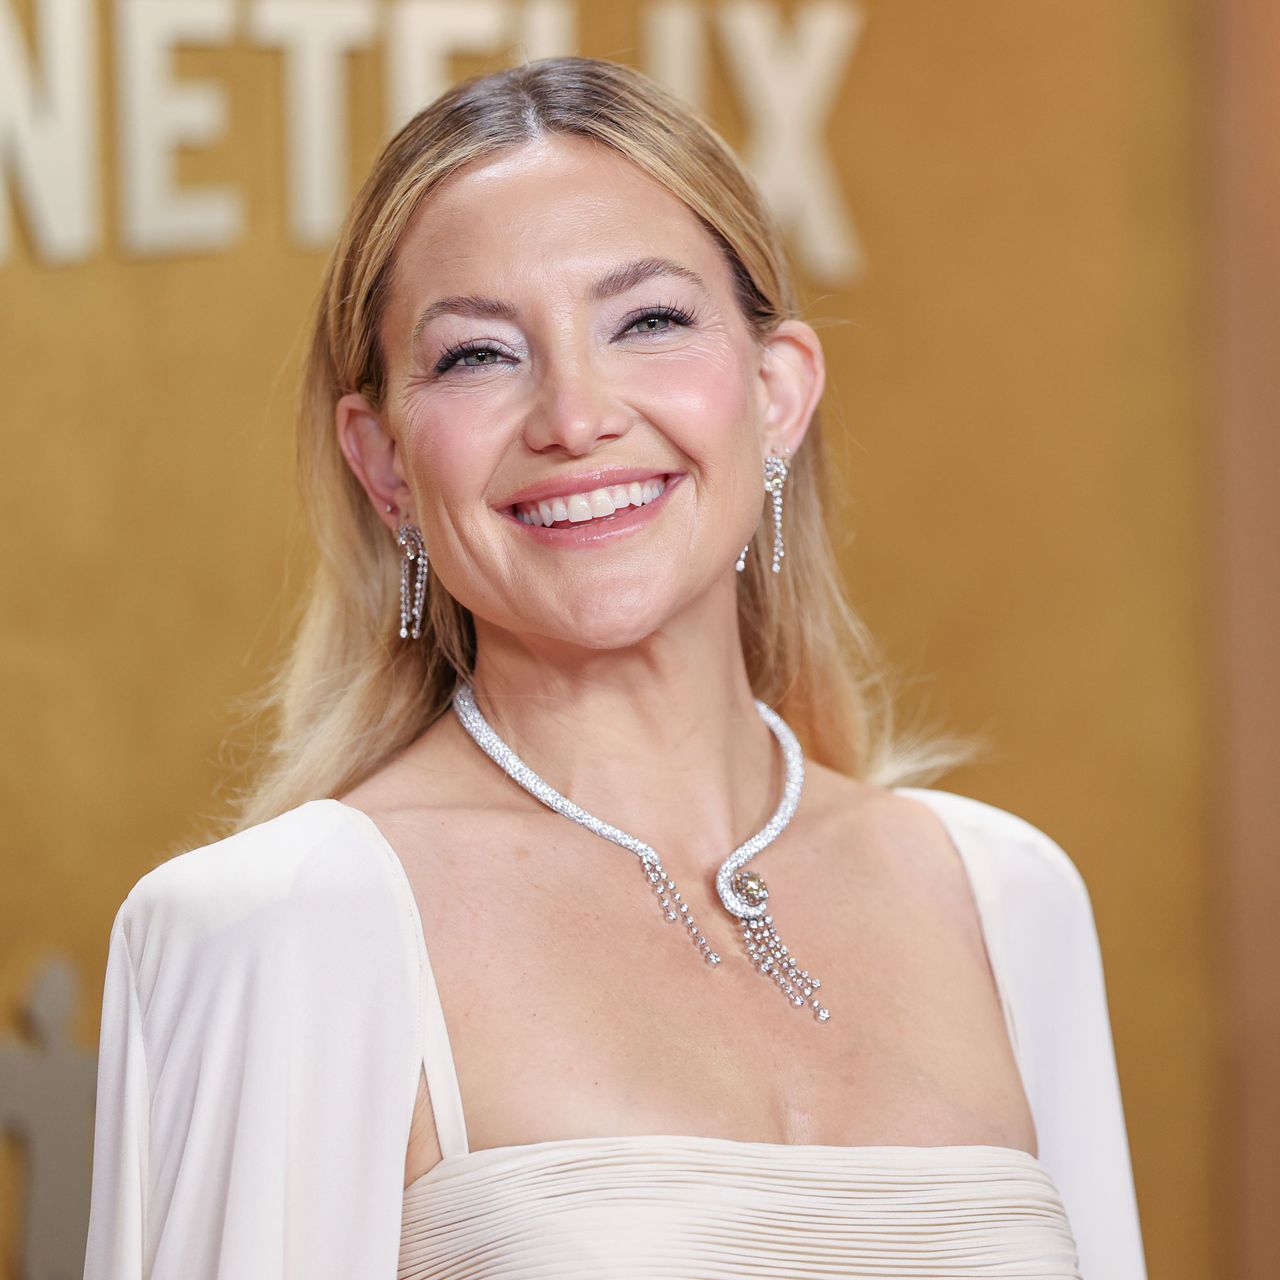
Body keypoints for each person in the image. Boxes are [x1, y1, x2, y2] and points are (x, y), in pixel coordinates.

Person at [82, 56, 1146, 1280]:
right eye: (479, 354)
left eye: (646, 321)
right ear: (381, 464)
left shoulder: (1004, 897)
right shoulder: (284, 926)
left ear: (776, 392)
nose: (573, 417)